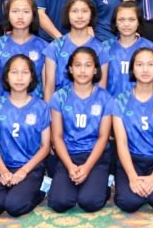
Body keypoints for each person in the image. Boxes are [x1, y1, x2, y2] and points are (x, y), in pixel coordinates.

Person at [0, 54, 52, 217]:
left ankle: (41, 190)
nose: (19, 78)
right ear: (6, 76)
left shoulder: (41, 107)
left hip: (31, 167)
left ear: (32, 77)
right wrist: (3, 171)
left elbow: (45, 146)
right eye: (14, 72)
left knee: (14, 206)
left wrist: (23, 171)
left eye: (25, 72)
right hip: (4, 165)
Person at [111, 48, 153, 212]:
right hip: (132, 160)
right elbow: (121, 143)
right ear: (132, 69)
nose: (145, 69)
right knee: (128, 202)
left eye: (150, 64)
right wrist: (132, 177)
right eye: (140, 64)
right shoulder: (120, 101)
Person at [48, 47, 114, 213]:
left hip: (95, 156)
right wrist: (70, 166)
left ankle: (103, 182)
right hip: (68, 155)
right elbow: (57, 136)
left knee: (90, 202)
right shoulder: (59, 97)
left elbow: (103, 137)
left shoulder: (105, 98)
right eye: (78, 65)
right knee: (59, 203)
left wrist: (86, 167)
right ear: (70, 69)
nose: (83, 70)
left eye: (88, 65)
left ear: (95, 70)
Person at [42, 0, 109, 101]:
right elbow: (49, 88)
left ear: (91, 16)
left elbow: (102, 90)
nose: (80, 16)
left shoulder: (100, 49)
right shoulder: (55, 47)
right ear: (67, 15)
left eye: (84, 11)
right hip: (60, 107)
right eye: (74, 11)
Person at [0, 0, 48, 102]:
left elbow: (47, 87)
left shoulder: (44, 47)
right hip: (3, 108)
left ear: (33, 16)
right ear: (7, 15)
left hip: (35, 109)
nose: (20, 16)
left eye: (26, 12)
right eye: (15, 11)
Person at [101, 1, 153, 98]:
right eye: (121, 20)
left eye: (131, 20)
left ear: (139, 22)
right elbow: (100, 85)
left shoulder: (150, 47)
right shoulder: (105, 47)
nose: (126, 24)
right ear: (115, 22)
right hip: (111, 104)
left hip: (141, 104)